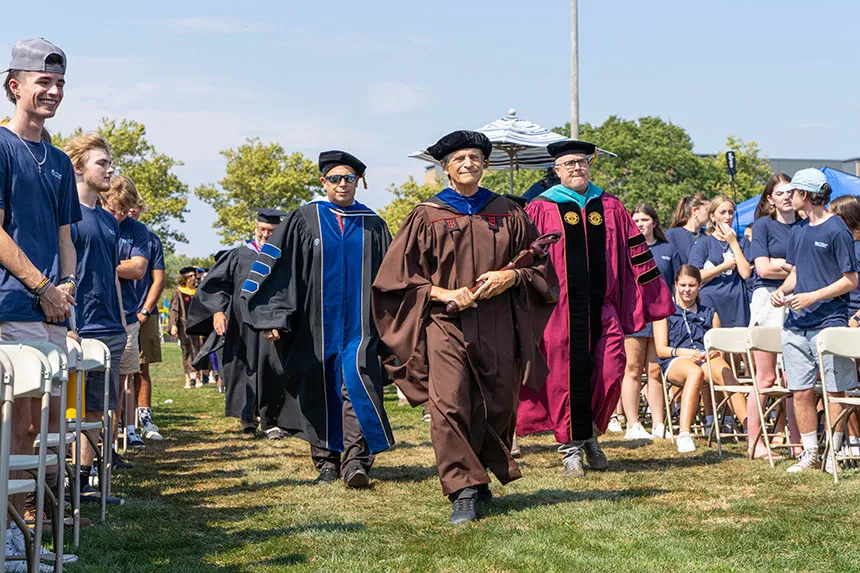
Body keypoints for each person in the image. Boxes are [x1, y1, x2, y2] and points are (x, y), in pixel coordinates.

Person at [372, 130, 557, 524]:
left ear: (485, 164)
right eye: (459, 159)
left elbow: (539, 267)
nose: (468, 164)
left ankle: (480, 475)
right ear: (445, 167)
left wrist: (511, 279)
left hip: (499, 322)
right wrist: (439, 292)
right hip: (446, 323)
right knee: (450, 402)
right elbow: (396, 278)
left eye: (475, 157)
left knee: (499, 403)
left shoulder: (508, 211)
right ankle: (462, 488)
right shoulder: (428, 214)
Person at [516, 139, 674, 478]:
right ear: (556, 170)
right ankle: (570, 447)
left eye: (582, 161)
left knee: (611, 369)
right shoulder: (542, 208)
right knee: (564, 378)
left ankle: (589, 433)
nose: (577, 167)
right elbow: (526, 258)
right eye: (569, 163)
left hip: (603, 308)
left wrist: (651, 296)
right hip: (560, 312)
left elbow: (637, 254)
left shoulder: (611, 207)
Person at [242, 150, 394, 489]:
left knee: (357, 387)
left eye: (349, 178)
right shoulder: (304, 219)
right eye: (335, 178)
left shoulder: (373, 224)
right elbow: (276, 268)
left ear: (359, 182)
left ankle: (356, 462)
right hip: (315, 327)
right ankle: (326, 462)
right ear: (323, 182)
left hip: (361, 327)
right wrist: (273, 316)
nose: (343, 184)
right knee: (319, 390)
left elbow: (392, 277)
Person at [0, 38, 81, 567]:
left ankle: (21, 532)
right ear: (14, 86)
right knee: (11, 425)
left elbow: (64, 235)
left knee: (38, 429)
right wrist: (41, 287)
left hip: (52, 308)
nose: (52, 92)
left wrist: (67, 285)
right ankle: (7, 538)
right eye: (42, 83)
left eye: (59, 85)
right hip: (13, 305)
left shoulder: (56, 158)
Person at [771, 169, 859, 473]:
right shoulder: (798, 230)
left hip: (830, 323)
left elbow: (850, 280)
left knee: (835, 389)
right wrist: (782, 292)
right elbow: (795, 274)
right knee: (801, 390)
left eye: (792, 192)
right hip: (795, 324)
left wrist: (813, 297)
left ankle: (833, 454)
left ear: (804, 195)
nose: (787, 197)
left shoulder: (838, 230)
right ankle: (810, 454)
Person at [64, 133, 126, 504]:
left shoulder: (108, 219)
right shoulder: (66, 213)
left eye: (109, 162)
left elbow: (111, 274)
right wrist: (68, 325)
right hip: (78, 326)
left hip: (111, 329)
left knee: (99, 410)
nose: (110, 169)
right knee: (70, 410)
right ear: (78, 168)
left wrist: (121, 320)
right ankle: (64, 482)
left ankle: (85, 483)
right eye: (101, 163)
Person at [186, 208, 286, 436]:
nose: (265, 234)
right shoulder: (239, 255)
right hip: (241, 326)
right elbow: (217, 285)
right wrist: (218, 312)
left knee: (273, 370)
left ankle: (272, 422)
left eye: (271, 230)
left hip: (272, 324)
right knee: (241, 370)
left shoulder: (285, 257)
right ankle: (247, 420)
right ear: (255, 229)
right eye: (262, 229)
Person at [654, 265, 742, 453]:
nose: (687, 289)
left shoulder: (710, 313)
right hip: (675, 360)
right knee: (694, 372)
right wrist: (683, 352)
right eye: (683, 285)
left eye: (692, 285)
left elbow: (719, 346)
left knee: (725, 371)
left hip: (704, 357)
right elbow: (661, 350)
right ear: (675, 285)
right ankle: (684, 433)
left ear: (699, 286)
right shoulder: (664, 312)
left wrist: (715, 352)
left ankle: (753, 432)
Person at [746, 173, 801, 459]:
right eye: (781, 193)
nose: (787, 197)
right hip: (768, 302)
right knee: (766, 377)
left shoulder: (805, 226)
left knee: (795, 378)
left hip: (798, 302)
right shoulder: (763, 226)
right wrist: (794, 267)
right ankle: (755, 444)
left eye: (791, 192)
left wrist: (782, 265)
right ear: (770, 198)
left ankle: (797, 443)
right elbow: (763, 269)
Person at [619, 203, 682, 440]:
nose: (640, 224)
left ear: (654, 222)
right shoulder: (626, 250)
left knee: (655, 370)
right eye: (635, 220)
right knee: (633, 369)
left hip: (661, 318)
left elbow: (677, 283)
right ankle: (632, 424)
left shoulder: (668, 249)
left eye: (644, 219)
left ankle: (658, 424)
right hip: (634, 317)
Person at [688, 195, 750, 431]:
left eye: (730, 212)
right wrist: (724, 266)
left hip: (737, 305)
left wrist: (734, 243)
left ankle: (730, 415)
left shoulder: (742, 242)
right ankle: (712, 416)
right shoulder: (704, 243)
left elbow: (746, 273)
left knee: (734, 362)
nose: (727, 217)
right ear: (712, 217)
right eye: (722, 212)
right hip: (712, 305)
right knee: (714, 360)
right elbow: (695, 276)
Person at [104, 175, 150, 450]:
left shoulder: (138, 230)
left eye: (124, 210)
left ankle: (110, 448)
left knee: (120, 385)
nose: (119, 216)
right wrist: (122, 264)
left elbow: (138, 269)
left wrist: (103, 264)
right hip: (94, 317)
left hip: (127, 316)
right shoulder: (89, 219)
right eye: (113, 209)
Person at [129, 204, 166, 442]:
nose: (130, 210)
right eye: (124, 205)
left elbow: (158, 279)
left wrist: (145, 311)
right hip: (113, 313)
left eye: (134, 205)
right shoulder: (109, 231)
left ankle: (144, 420)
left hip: (144, 313)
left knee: (142, 369)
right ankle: (122, 424)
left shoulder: (151, 240)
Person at [827, 195, 860, 457]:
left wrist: (857, 319)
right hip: (839, 321)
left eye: (833, 215)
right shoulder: (837, 245)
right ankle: (851, 439)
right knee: (841, 381)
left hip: (854, 323)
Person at [169, 267, 205, 388]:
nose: (193, 278)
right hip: (184, 326)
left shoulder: (198, 291)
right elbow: (174, 309)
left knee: (198, 350)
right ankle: (188, 378)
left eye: (194, 276)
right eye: (190, 276)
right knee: (186, 351)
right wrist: (173, 325)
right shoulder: (179, 292)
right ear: (185, 278)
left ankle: (198, 377)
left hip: (197, 324)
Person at [666, 193, 709, 264]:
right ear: (695, 211)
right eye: (707, 210)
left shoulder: (707, 236)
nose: (710, 214)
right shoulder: (672, 235)